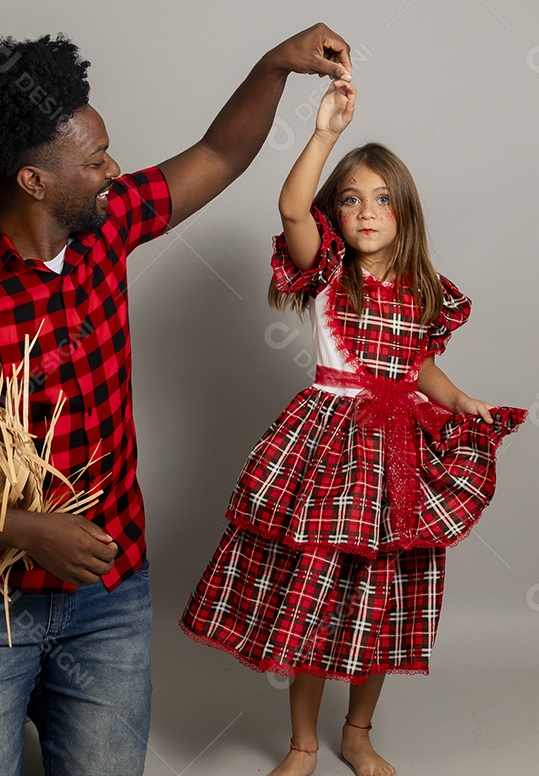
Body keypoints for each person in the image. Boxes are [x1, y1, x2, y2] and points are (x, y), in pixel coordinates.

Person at [0, 24, 351, 776]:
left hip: (109, 596)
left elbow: (218, 154)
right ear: (34, 182)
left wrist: (275, 64)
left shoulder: (104, 228)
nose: (114, 169)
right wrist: (24, 530)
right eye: (95, 159)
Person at [180, 79, 526, 776]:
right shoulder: (328, 273)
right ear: (335, 214)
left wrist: (459, 401)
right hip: (330, 445)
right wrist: (325, 133)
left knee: (387, 595)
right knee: (319, 592)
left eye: (382, 199)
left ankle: (359, 733)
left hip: (401, 450)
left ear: (406, 212)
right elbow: (288, 205)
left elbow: (419, 367)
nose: (367, 212)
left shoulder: (428, 290)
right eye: (351, 198)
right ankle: (303, 744)